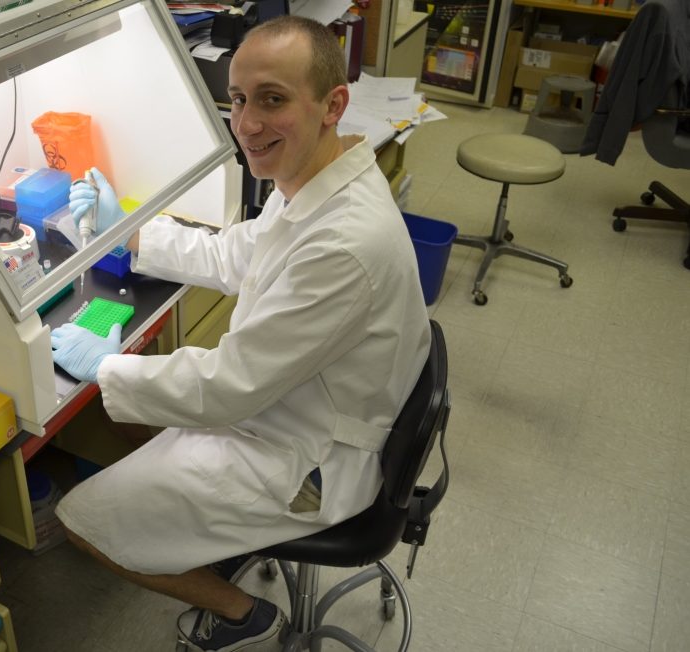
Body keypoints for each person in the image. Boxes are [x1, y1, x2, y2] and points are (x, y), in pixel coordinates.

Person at [49, 15, 431, 652]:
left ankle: (245, 617)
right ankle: (197, 530)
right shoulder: (315, 182)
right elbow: (237, 255)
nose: (247, 124)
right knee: (141, 415)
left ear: (333, 104)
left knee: (81, 519)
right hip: (303, 409)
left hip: (309, 462)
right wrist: (132, 232)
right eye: (238, 99)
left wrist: (108, 366)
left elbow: (229, 387)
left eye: (272, 100)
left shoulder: (344, 242)